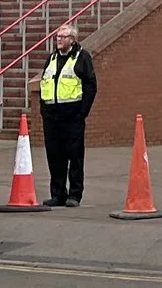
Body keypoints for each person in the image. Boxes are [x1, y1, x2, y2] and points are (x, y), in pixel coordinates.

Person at [34, 22, 96, 207]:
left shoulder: (82, 58)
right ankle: (58, 194)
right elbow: (44, 84)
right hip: (52, 116)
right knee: (54, 156)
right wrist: (44, 111)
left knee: (75, 156)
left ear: (72, 40)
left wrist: (81, 113)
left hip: (72, 115)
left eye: (63, 37)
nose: (59, 40)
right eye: (57, 37)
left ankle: (75, 195)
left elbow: (91, 86)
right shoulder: (51, 58)